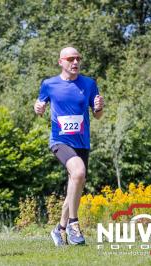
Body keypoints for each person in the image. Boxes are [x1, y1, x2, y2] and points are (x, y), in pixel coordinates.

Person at [34, 47, 104, 246]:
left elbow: (97, 114)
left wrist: (100, 107)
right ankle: (74, 225)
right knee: (79, 172)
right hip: (60, 141)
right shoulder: (49, 84)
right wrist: (37, 107)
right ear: (61, 62)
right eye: (70, 59)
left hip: (82, 143)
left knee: (75, 185)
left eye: (78, 59)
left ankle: (59, 229)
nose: (75, 62)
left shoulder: (89, 84)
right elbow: (39, 106)